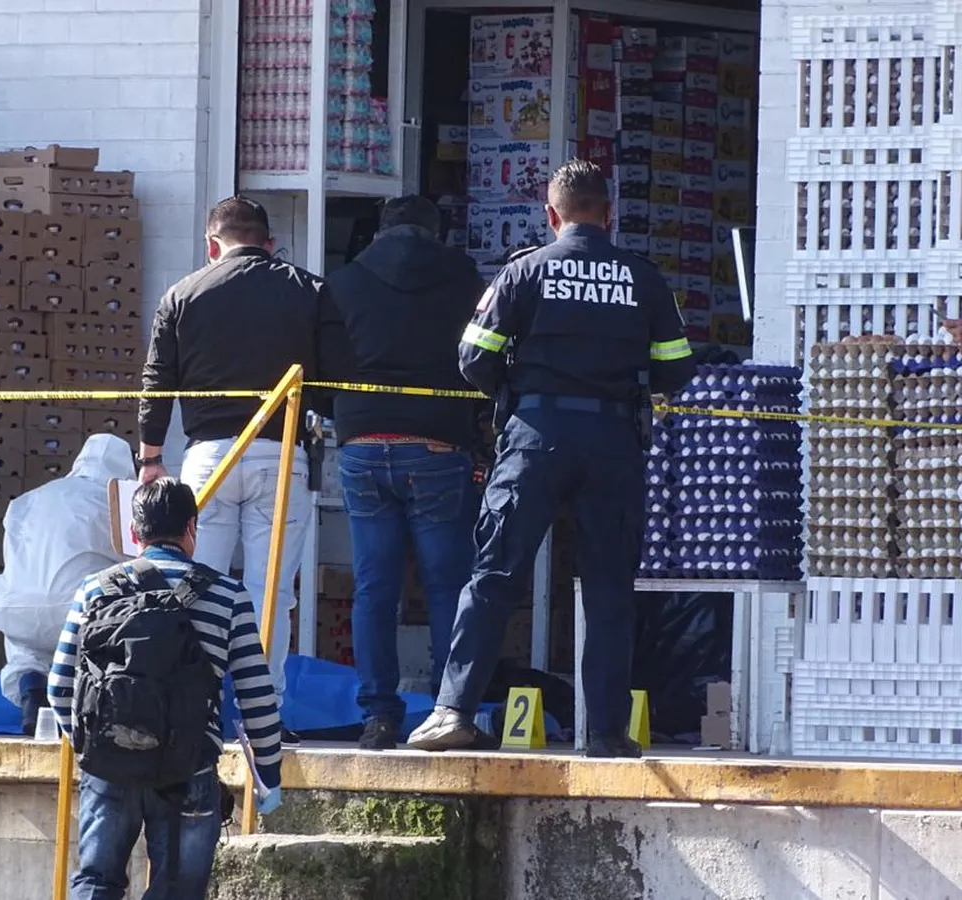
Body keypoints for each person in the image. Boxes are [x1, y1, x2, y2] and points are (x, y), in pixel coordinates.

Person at [408, 159, 697, 758]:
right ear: (608, 213)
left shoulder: (526, 272)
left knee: (494, 576)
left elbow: (473, 357)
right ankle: (606, 734)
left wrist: (519, 391)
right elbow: (677, 367)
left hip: (535, 437)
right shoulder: (642, 278)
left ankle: (453, 711)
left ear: (551, 213)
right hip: (614, 441)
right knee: (610, 587)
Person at [137, 197, 351, 733]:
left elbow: (156, 381)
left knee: (192, 585)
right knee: (271, 589)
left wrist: (151, 456)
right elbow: (336, 378)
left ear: (213, 245)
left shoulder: (182, 293)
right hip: (281, 456)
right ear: (268, 244)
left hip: (207, 456)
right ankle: (267, 712)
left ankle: (192, 708)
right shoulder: (309, 288)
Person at [47, 478, 283, 900]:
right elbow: (257, 699)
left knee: (96, 883)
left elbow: (59, 686)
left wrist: (93, 747)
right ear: (192, 527)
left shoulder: (94, 590)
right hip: (188, 768)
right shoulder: (228, 596)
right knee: (177, 890)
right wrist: (269, 777)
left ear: (135, 534)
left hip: (109, 765)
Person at [326, 195, 486, 750]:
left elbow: (321, 365)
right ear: (435, 231)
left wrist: (346, 415)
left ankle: (378, 716)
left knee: (375, 586)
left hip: (363, 443)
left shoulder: (344, 283)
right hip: (439, 442)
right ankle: (451, 712)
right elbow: (484, 359)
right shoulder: (465, 279)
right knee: (448, 586)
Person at [0, 433, 135, 734]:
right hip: (82, 612)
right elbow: (135, 562)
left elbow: (14, 557)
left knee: (21, 622)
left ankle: (30, 689)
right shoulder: (121, 504)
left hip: (20, 608)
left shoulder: (29, 499)